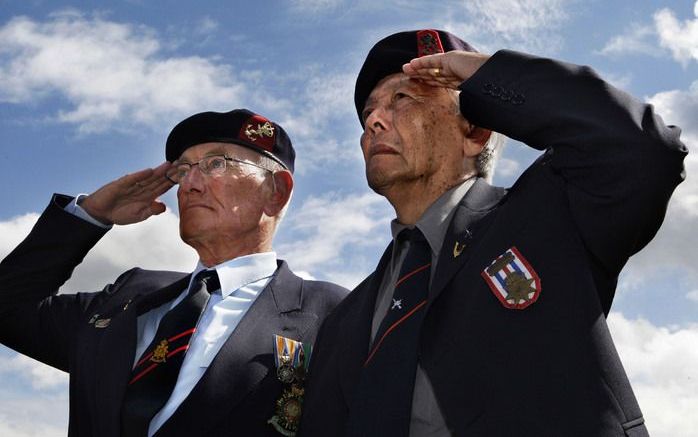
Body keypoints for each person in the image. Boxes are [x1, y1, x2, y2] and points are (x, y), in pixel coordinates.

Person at [299, 29, 687, 437]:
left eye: (402, 98)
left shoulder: (550, 214)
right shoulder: (343, 320)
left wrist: (485, 75)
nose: (374, 120)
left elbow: (643, 152)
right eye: (368, 113)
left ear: (474, 133)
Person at [0, 108, 348, 437]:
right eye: (183, 170)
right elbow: (8, 309)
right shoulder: (130, 292)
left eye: (215, 164)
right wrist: (90, 215)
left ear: (276, 191)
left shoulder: (332, 312)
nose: (189, 184)